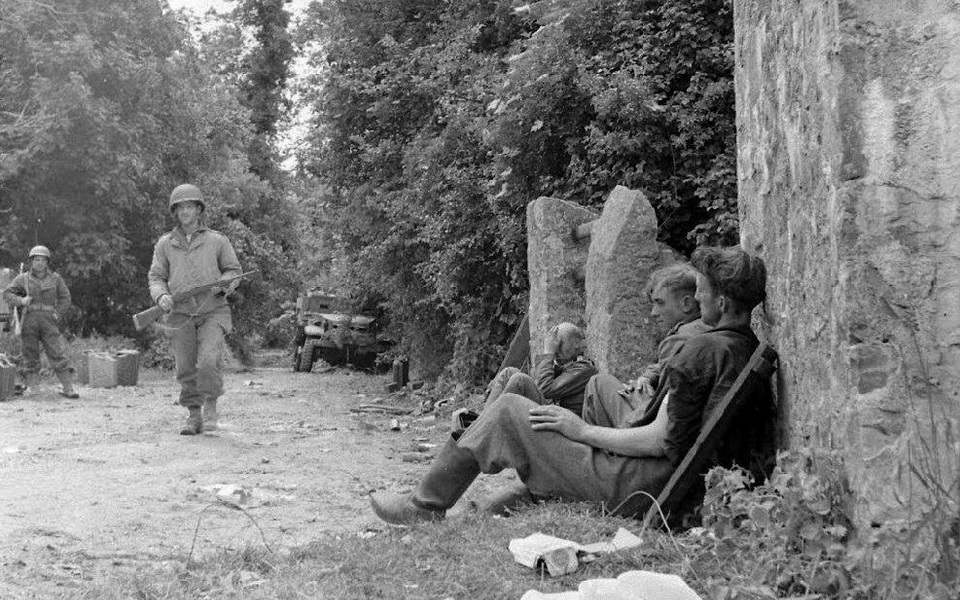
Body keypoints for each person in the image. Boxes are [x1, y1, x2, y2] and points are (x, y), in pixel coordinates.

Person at [370, 246, 771, 525]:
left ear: (721, 301)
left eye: (702, 292)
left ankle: (425, 506)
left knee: (510, 408)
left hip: (635, 483)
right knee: (527, 395)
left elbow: (657, 442)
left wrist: (578, 429)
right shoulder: (736, 345)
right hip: (653, 476)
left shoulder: (700, 351)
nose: (697, 298)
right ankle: (519, 484)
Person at [148, 183, 243, 435]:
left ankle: (210, 405)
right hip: (180, 314)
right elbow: (156, 276)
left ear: (199, 210)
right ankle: (193, 414)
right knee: (185, 368)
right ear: (175, 212)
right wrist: (161, 296)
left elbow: (234, 270)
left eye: (190, 206)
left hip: (213, 311)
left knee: (209, 361)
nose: (186, 211)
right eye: (181, 207)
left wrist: (224, 285)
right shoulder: (165, 244)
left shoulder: (217, 240)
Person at [583, 263, 710, 428]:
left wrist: (640, 400)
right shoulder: (707, 329)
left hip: (652, 432)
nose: (653, 313)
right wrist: (646, 378)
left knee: (597, 383)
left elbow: (665, 413)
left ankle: (602, 450)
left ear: (687, 303)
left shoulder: (677, 340)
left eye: (660, 303)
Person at [2, 245, 79, 398]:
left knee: (57, 352)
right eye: (36, 259)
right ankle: (34, 387)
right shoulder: (22, 278)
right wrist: (21, 300)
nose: (39, 263)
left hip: (49, 321)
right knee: (30, 354)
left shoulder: (55, 278)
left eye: (43, 260)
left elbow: (66, 298)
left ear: (47, 262)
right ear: (31, 261)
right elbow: (7, 294)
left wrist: (58, 313)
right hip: (29, 319)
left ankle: (68, 388)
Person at [475, 321, 596, 418]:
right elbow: (538, 384)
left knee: (519, 380)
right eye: (553, 345)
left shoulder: (584, 368)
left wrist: (548, 353)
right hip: (550, 411)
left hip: (561, 420)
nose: (555, 350)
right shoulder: (563, 363)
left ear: (576, 343)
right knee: (509, 372)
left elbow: (544, 390)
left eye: (559, 344)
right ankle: (481, 423)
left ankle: (483, 425)